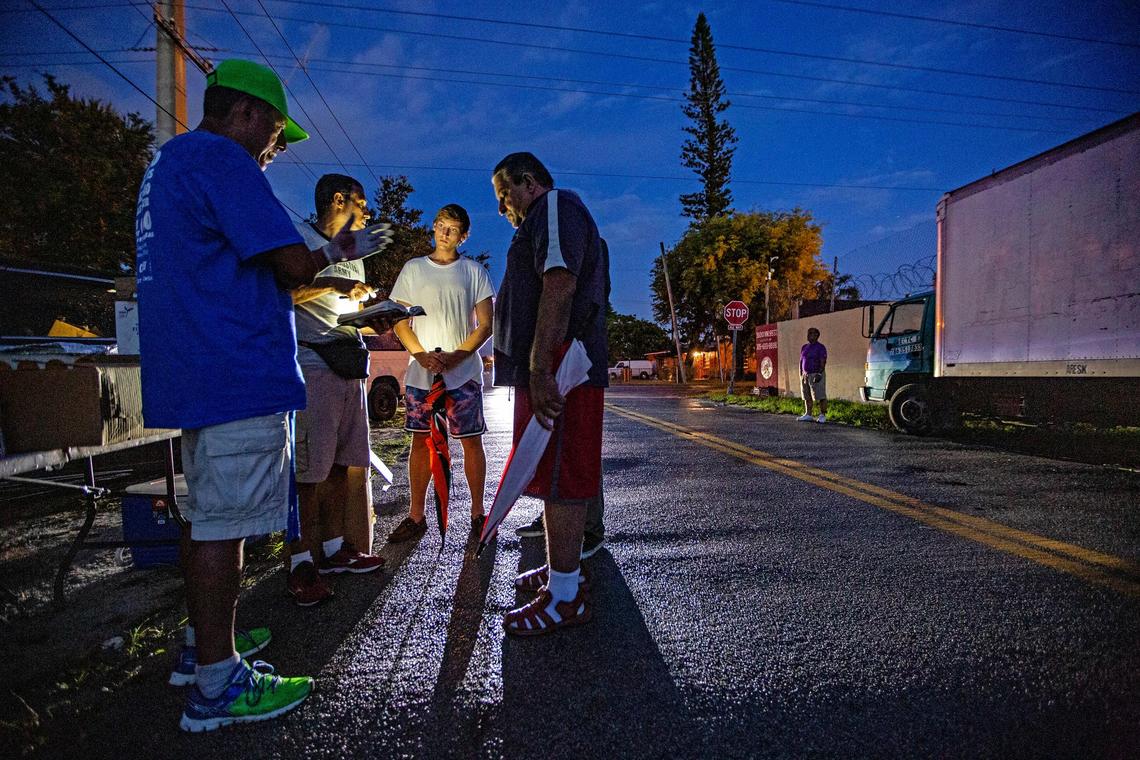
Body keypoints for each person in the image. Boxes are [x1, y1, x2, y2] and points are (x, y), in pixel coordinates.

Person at [135, 59, 393, 732]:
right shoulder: (224, 161)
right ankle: (218, 684)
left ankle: (203, 646)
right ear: (246, 114)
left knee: (206, 512)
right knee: (225, 523)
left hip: (194, 366)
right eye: (276, 135)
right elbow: (290, 264)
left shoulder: (172, 162)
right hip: (232, 369)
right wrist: (348, 246)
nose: (274, 151)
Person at [490, 152, 608, 636]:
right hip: (553, 363)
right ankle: (565, 572)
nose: (503, 208)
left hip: (563, 366)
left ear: (529, 182)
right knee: (551, 470)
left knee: (562, 472)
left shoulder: (555, 205)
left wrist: (540, 366)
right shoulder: (542, 217)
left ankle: (565, 598)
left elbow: (559, 283)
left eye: (504, 194)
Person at [286, 174, 387, 607]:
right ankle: (300, 564)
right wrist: (332, 284)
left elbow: (343, 313)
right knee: (308, 472)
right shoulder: (299, 239)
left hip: (349, 363)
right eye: (361, 204)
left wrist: (374, 317)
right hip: (313, 365)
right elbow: (285, 293)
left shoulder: (354, 257)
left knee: (338, 466)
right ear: (338, 199)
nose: (365, 214)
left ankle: (333, 550)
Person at [387, 204, 495, 542]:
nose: (444, 233)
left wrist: (456, 355)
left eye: (452, 228)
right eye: (439, 225)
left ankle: (478, 514)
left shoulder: (474, 272)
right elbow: (399, 319)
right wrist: (420, 355)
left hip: (462, 374)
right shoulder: (413, 269)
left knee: (471, 442)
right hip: (422, 375)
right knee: (421, 442)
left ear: (464, 236)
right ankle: (416, 516)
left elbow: (486, 325)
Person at [797, 327, 828, 423]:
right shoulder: (804, 347)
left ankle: (822, 415)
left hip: (816, 373)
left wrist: (819, 373)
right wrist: (801, 374)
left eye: (811, 333)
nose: (809, 335)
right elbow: (801, 361)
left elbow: (823, 361)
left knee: (820, 395)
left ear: (817, 336)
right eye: (808, 333)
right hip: (805, 375)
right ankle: (808, 414)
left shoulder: (820, 347)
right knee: (806, 395)